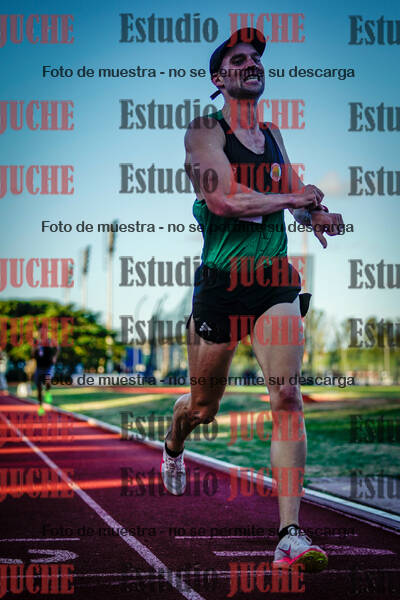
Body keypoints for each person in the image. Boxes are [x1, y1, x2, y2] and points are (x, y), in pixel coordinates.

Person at [161, 28, 344, 573]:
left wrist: (314, 214)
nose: (250, 64)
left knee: (287, 396)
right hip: (221, 286)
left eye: (256, 58)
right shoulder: (204, 131)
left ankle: (289, 535)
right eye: (238, 60)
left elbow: (293, 194)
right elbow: (222, 200)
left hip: (273, 281)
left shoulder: (273, 134)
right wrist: (293, 198)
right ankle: (174, 443)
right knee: (203, 409)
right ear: (219, 78)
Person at [33, 324, 59, 415]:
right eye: (41, 331)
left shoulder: (50, 341)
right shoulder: (36, 342)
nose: (42, 332)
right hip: (39, 367)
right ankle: (40, 406)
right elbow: (32, 354)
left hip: (48, 366)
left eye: (44, 331)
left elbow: (58, 348)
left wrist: (55, 357)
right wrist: (35, 349)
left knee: (48, 380)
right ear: (38, 332)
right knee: (39, 388)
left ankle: (47, 391)